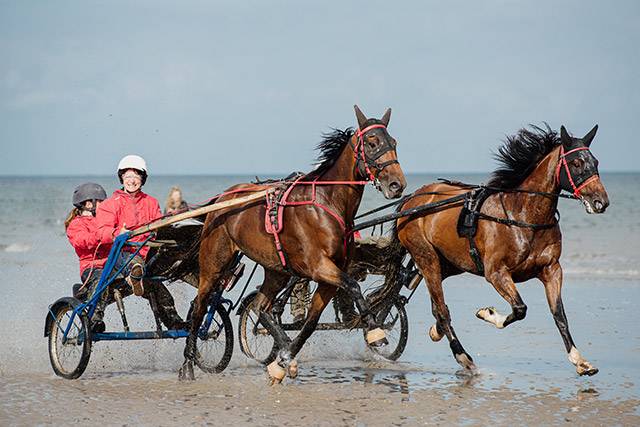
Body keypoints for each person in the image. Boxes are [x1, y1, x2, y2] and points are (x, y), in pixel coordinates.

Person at [96, 154, 185, 329]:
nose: (131, 181)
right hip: (122, 254)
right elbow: (101, 232)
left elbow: (159, 228)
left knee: (163, 292)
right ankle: (135, 273)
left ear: (142, 179)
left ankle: (175, 323)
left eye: (136, 176)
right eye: (128, 176)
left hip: (147, 254)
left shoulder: (151, 202)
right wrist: (117, 233)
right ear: (121, 177)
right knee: (134, 260)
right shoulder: (110, 204)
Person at [65, 182, 110, 332]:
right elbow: (81, 242)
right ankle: (93, 320)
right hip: (91, 268)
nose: (104, 206)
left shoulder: (105, 221)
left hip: (112, 266)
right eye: (101, 203)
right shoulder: (76, 224)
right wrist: (103, 235)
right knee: (101, 279)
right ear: (88, 203)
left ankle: (172, 319)